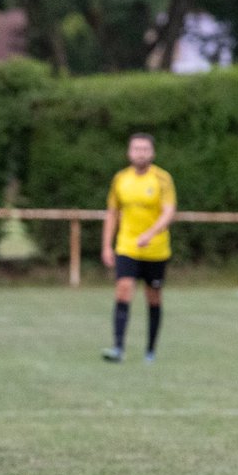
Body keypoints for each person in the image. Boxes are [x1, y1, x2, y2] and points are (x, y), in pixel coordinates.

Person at [100, 133, 177, 363]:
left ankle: (150, 350)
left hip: (156, 250)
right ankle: (118, 348)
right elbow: (112, 213)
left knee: (153, 297)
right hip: (127, 246)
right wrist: (106, 245)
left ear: (152, 153)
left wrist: (150, 234)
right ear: (129, 152)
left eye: (144, 149)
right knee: (123, 289)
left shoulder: (162, 179)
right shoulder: (121, 179)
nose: (140, 153)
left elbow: (169, 212)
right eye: (136, 149)